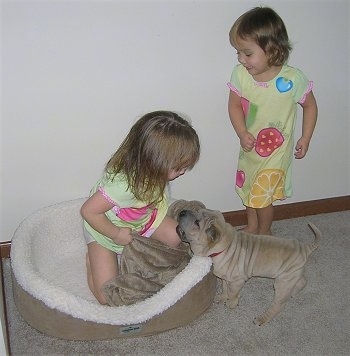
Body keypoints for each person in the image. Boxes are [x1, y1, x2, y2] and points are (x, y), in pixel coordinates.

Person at [80, 110, 200, 304]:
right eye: (178, 168)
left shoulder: (151, 171)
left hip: (143, 220)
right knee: (106, 296)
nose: (183, 172)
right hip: (104, 230)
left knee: (176, 237)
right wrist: (116, 234)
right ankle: (90, 261)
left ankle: (140, 249)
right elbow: (88, 211)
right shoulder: (122, 187)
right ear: (154, 162)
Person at [227, 6, 318, 235]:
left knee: (263, 195)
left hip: (276, 152)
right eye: (238, 52)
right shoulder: (240, 75)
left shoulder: (292, 79)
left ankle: (265, 231)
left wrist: (306, 137)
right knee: (249, 190)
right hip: (250, 147)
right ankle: (253, 225)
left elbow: (310, 106)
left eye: (247, 53)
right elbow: (234, 105)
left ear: (272, 49)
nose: (241, 59)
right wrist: (241, 132)